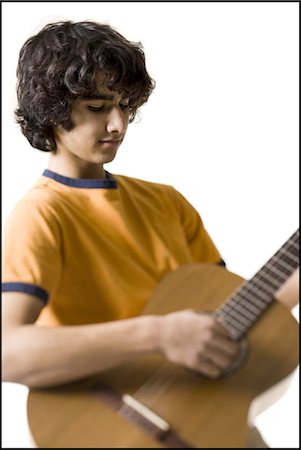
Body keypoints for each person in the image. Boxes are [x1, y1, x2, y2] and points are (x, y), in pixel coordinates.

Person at [2, 20, 298, 448]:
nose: (118, 124)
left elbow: (227, 320)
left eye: (124, 106)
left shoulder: (167, 202)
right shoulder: (42, 214)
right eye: (98, 107)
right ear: (52, 110)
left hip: (206, 416)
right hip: (107, 425)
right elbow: (7, 352)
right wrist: (159, 333)